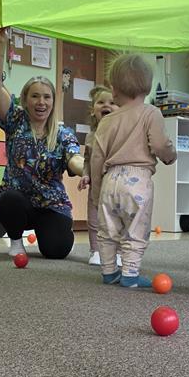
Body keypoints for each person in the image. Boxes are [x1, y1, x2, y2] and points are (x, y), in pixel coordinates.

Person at [0, 28, 84, 260]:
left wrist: (88, 168)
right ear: (25, 100)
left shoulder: (61, 133)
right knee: (9, 199)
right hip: (19, 202)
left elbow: (73, 158)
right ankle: (16, 240)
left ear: (53, 100)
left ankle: (51, 232)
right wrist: (1, 45)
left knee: (56, 251)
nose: (41, 102)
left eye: (46, 97)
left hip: (51, 204)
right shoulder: (15, 120)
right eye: (35, 96)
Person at [88, 55, 175, 288]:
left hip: (110, 179)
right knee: (136, 230)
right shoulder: (150, 113)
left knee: (108, 231)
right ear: (147, 86)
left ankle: (109, 271)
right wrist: (170, 156)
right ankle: (130, 274)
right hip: (138, 182)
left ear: (114, 90)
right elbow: (159, 144)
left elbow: (96, 158)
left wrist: (97, 191)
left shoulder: (106, 121)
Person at [77, 84, 119, 267]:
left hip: (116, 186)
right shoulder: (91, 136)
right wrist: (86, 175)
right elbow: (87, 160)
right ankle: (95, 250)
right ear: (93, 110)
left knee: (116, 220)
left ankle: (117, 252)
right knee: (94, 220)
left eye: (111, 102)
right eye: (100, 102)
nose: (105, 105)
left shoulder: (121, 134)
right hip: (96, 186)